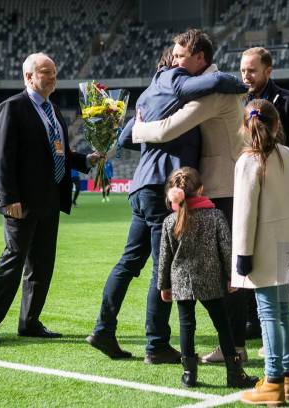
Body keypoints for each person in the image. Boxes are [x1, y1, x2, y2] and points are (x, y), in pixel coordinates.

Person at [87, 46, 247, 363]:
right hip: (164, 187)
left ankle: (103, 328)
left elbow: (123, 139)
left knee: (129, 262)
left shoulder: (148, 96)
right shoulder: (181, 93)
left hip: (141, 186)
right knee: (163, 271)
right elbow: (218, 84)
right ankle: (157, 344)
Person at [132, 29, 251, 361]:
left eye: (182, 56)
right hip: (220, 186)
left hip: (224, 187)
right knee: (222, 268)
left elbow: (169, 128)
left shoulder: (213, 93)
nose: (175, 61)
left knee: (228, 270)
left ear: (201, 58)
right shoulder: (208, 85)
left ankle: (236, 347)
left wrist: (136, 128)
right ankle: (232, 344)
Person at [0, 53, 101, 344]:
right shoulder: (12, 108)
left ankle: (29, 322)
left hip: (50, 200)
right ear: (29, 77)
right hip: (21, 202)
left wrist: (87, 160)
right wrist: (9, 198)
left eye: (54, 72)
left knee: (42, 264)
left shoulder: (54, 111)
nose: (52, 77)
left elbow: (60, 154)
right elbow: (3, 158)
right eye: (46, 72)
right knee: (13, 261)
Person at [232, 99, 289, 405]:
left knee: (270, 316)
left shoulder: (247, 162)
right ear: (277, 125)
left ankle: (274, 382)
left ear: (244, 126)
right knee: (282, 314)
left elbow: (244, 213)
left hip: (264, 248)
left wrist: (242, 254)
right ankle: (286, 378)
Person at [239, 46, 289, 343]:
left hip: (283, 194)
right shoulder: (236, 101)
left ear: (268, 70)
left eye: (252, 70)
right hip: (252, 188)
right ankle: (253, 320)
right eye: (243, 70)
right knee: (252, 253)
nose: (246, 75)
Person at [158, 167, 258, 388]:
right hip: (211, 281)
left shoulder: (169, 221)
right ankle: (234, 373)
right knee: (223, 326)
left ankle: (189, 374)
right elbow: (227, 249)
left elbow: (164, 258)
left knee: (186, 326)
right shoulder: (215, 216)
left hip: (182, 282)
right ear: (201, 189)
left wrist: (163, 286)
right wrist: (234, 277)